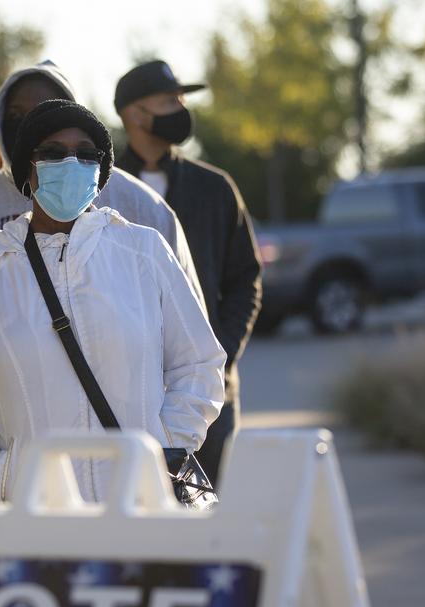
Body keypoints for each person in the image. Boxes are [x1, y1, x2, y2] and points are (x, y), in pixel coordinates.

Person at [0, 100, 225, 502]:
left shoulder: (144, 253)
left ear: (101, 171)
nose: (72, 163)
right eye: (53, 153)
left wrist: (161, 447)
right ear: (28, 169)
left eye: (86, 154)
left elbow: (199, 364)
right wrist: (4, 476)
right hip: (33, 520)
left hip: (140, 505)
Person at [0, 61, 204, 393]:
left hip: (128, 434)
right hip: (13, 435)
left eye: (45, 111)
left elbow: (192, 347)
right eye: (16, 114)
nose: (31, 124)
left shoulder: (143, 208)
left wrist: (166, 437)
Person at [114, 60, 262, 487]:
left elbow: (245, 282)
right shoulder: (103, 189)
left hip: (211, 400)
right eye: (168, 101)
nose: (181, 108)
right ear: (135, 114)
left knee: (210, 516)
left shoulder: (215, 188)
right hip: (127, 398)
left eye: (181, 99)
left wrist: (218, 359)